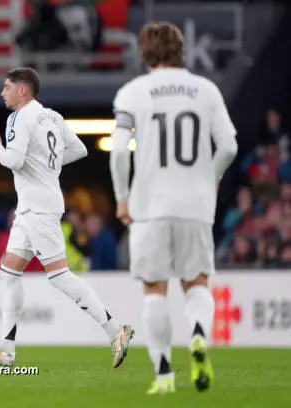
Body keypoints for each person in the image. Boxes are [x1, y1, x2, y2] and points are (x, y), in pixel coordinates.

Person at [0, 67, 134, 369]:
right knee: (9, 272)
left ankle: (116, 331)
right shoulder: (52, 116)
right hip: (33, 206)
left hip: (38, 208)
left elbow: (15, 160)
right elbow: (79, 149)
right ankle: (6, 349)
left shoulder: (18, 117)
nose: (2, 92)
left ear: (23, 90)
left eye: (7, 87)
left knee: (59, 275)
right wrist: (46, 167)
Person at [109, 22, 238, 394]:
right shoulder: (206, 90)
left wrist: (121, 197)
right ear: (181, 51)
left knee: (154, 289)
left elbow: (119, 150)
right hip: (196, 203)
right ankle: (198, 334)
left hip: (149, 204)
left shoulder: (132, 92)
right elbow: (228, 145)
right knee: (196, 281)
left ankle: (164, 374)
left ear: (144, 53)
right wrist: (211, 177)